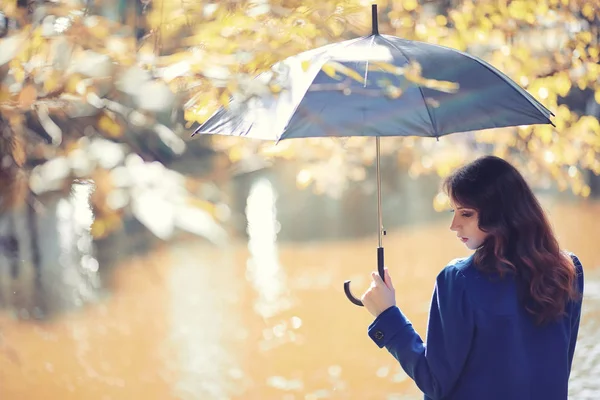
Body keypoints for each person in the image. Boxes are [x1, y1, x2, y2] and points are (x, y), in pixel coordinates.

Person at [361, 155, 584, 400]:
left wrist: (387, 315)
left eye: (466, 214)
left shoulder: (458, 280)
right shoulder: (568, 270)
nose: (454, 225)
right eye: (453, 211)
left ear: (500, 213)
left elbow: (434, 382)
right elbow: (560, 367)